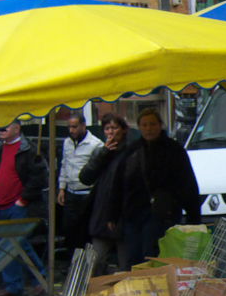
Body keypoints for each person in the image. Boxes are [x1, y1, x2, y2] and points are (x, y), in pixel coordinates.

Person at [114, 108, 201, 268]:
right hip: (133, 214)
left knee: (154, 257)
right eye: (145, 125)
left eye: (152, 124)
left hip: (163, 214)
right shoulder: (132, 151)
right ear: (139, 127)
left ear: (160, 125)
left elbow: (188, 183)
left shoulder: (174, 150)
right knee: (133, 258)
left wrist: (193, 217)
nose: (149, 128)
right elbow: (119, 184)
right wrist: (112, 215)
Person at [0, 118, 47, 296]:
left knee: (19, 243)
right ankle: (14, 285)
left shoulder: (29, 150)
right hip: (0, 204)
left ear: (17, 128)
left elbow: (39, 176)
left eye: (6, 126)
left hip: (17, 204)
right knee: (6, 245)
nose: (0, 129)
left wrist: (23, 199)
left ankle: (38, 277)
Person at [79, 113, 136, 275]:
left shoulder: (131, 151)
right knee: (95, 261)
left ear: (124, 130)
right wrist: (103, 154)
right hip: (102, 215)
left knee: (126, 265)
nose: (111, 132)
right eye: (107, 128)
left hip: (124, 215)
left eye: (114, 128)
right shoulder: (101, 151)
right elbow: (85, 177)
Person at [56, 113, 100, 254]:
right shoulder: (67, 142)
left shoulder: (95, 144)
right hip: (71, 192)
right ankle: (71, 264)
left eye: (74, 127)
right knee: (69, 231)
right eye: (69, 127)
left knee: (85, 233)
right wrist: (62, 188)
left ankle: (85, 266)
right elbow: (64, 165)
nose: (71, 130)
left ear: (83, 125)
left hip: (87, 194)